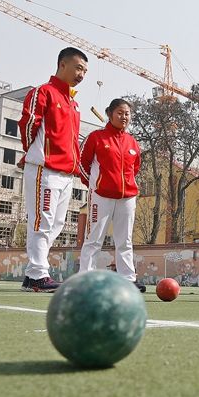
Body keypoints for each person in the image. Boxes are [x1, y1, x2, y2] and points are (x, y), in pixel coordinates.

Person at [18, 47, 88, 292]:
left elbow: (73, 141)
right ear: (62, 65)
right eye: (78, 68)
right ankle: (39, 274)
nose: (81, 75)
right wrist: (35, 153)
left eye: (85, 71)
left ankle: (32, 274)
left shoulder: (74, 104)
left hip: (66, 174)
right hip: (45, 169)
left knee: (56, 225)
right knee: (42, 221)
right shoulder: (43, 92)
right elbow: (28, 124)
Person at [78, 98, 145, 292]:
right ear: (109, 114)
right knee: (94, 238)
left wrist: (125, 186)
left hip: (127, 197)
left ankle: (128, 278)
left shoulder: (132, 142)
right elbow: (82, 164)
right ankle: (85, 279)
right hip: (101, 196)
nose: (124, 117)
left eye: (127, 114)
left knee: (125, 240)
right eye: (120, 113)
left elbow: (135, 168)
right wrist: (95, 185)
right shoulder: (96, 137)